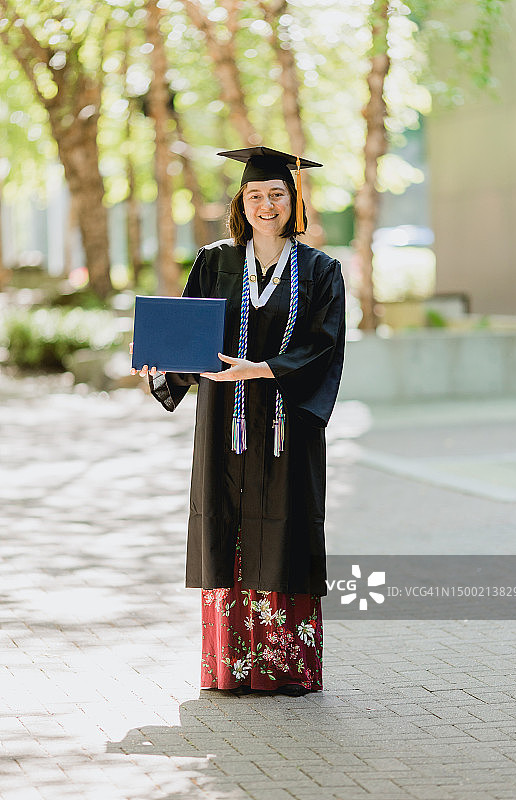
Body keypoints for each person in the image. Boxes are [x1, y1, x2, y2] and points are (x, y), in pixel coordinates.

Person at [131, 146, 345, 696]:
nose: (266, 204)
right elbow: (189, 332)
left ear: (293, 200)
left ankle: (284, 668)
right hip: (226, 422)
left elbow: (325, 345)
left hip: (284, 426)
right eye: (255, 195)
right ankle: (232, 667)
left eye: (277, 194)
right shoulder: (215, 261)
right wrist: (163, 366)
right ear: (241, 203)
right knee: (225, 523)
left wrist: (267, 368)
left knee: (287, 525)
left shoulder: (322, 271)